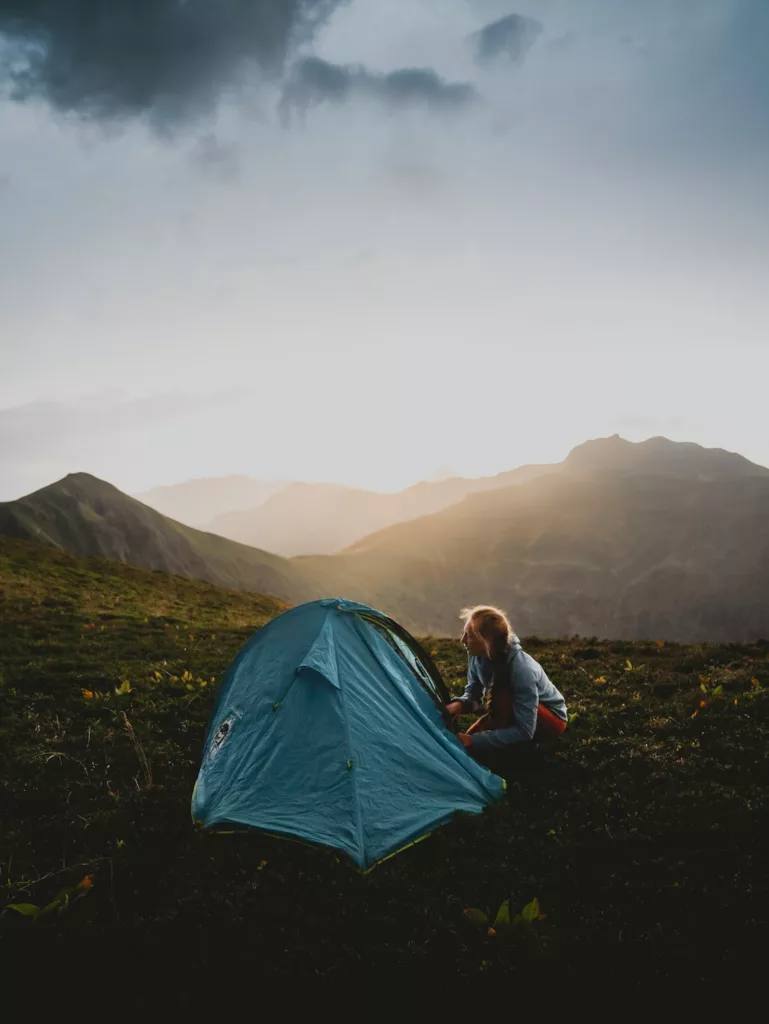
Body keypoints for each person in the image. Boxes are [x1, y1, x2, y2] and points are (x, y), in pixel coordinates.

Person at [446, 605, 567, 768]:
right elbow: (474, 693)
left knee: (501, 698)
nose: (463, 641)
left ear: (486, 641)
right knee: (465, 746)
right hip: (507, 708)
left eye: (469, 636)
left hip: (551, 719)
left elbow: (525, 730)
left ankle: (514, 754)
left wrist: (476, 740)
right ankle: (505, 740)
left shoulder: (522, 669)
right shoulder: (476, 656)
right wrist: (460, 704)